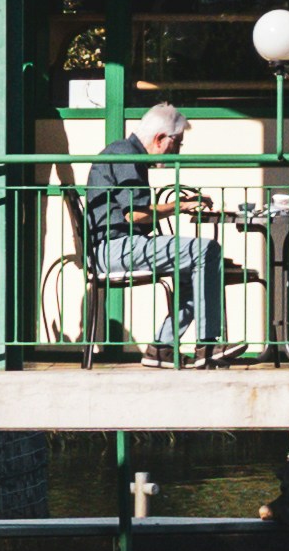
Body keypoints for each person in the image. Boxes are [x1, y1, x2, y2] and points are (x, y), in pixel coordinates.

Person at [75, 103, 228, 360]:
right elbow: (136, 213)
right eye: (177, 142)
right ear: (160, 139)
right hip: (115, 249)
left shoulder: (125, 153)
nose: (177, 151)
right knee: (207, 250)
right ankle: (208, 344)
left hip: (115, 247)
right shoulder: (126, 155)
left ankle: (162, 348)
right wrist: (180, 205)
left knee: (193, 266)